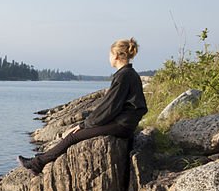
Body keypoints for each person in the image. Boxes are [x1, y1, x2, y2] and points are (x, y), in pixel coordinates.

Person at [18, 38, 147, 174]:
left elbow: (109, 107)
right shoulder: (129, 74)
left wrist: (83, 125)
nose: (108, 58)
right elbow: (112, 106)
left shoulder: (123, 76)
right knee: (76, 132)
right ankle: (41, 159)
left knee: (73, 136)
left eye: (109, 54)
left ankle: (37, 163)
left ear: (115, 55)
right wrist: (89, 123)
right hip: (124, 124)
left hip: (122, 125)